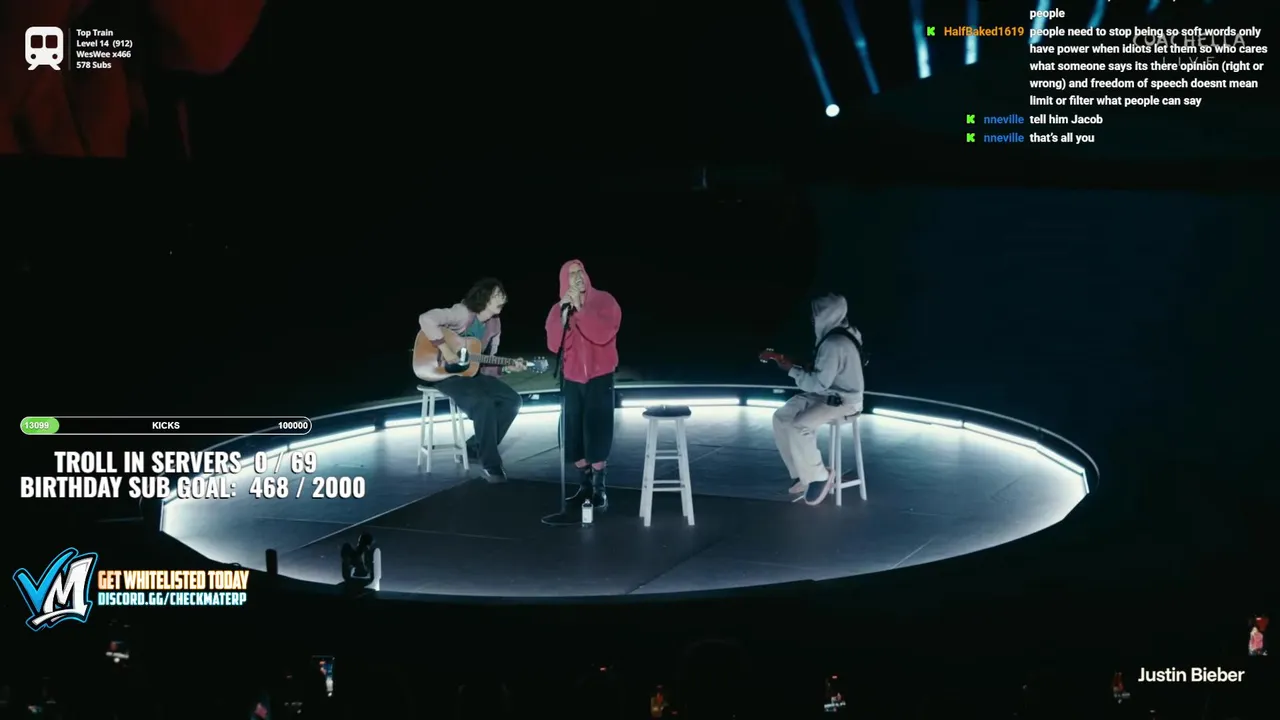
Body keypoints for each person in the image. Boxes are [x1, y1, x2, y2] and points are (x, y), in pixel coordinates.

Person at [420, 278, 524, 482]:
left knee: (512, 400)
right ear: (483, 297)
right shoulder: (462, 313)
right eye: (497, 295)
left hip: (471, 374)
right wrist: (446, 350)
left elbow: (485, 363)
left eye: (503, 295)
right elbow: (426, 319)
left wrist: (506, 367)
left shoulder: (495, 325)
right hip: (444, 372)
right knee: (483, 403)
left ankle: (475, 447)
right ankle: (491, 464)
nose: (503, 299)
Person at [768, 293, 865, 506]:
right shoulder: (844, 333)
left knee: (799, 426)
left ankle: (819, 476)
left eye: (816, 314)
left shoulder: (833, 343)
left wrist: (791, 370)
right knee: (781, 417)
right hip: (828, 394)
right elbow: (829, 372)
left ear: (826, 314)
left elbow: (817, 383)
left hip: (844, 401)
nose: (812, 319)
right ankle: (802, 474)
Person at [545, 260, 622, 511]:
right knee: (573, 433)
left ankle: (600, 488)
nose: (577, 277)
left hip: (600, 377)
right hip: (572, 378)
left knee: (597, 430)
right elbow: (554, 344)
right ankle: (584, 486)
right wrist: (564, 315)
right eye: (571, 274)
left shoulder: (604, 301)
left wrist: (581, 310)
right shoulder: (558, 308)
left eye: (580, 272)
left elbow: (602, 334)